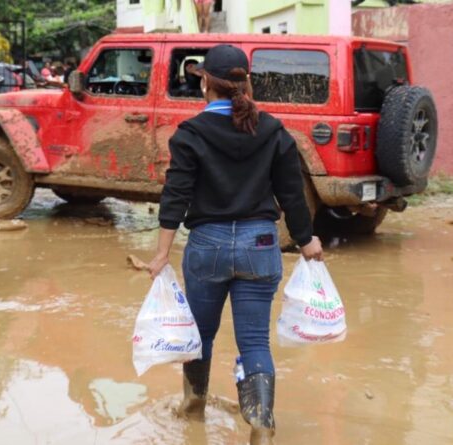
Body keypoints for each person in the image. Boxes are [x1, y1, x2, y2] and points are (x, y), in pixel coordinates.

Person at [146, 44, 323, 444]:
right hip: (260, 245)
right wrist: (306, 239)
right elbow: (292, 194)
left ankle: (193, 407)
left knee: (201, 336)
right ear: (246, 83)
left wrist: (160, 254)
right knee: (255, 341)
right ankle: (260, 424)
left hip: (206, 247)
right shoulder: (273, 130)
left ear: (206, 81)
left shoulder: (190, 134)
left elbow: (176, 195)